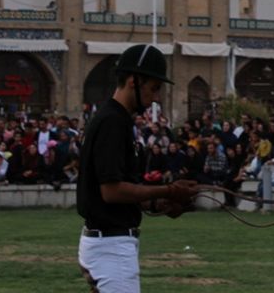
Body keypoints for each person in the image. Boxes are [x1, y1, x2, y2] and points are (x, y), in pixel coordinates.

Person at [77, 44, 199, 292]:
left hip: (111, 243)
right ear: (134, 80)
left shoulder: (118, 119)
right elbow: (111, 191)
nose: (156, 97)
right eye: (153, 88)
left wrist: (157, 205)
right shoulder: (112, 121)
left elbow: (121, 189)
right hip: (111, 247)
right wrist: (168, 190)